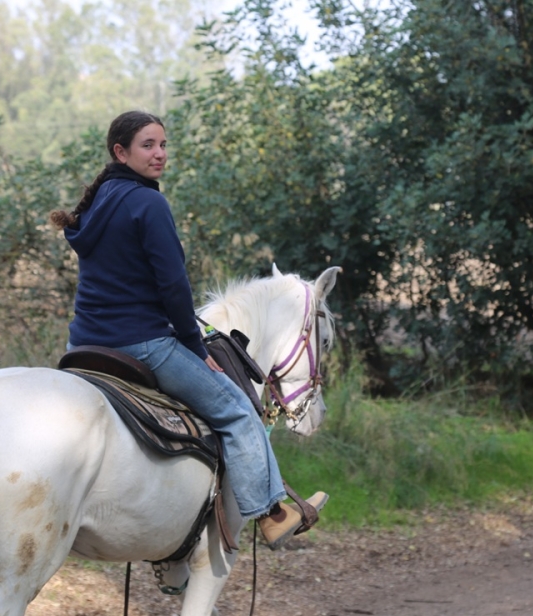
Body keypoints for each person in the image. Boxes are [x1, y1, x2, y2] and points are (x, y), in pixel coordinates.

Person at [49, 110, 327, 549]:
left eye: (163, 145)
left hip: (83, 341)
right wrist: (197, 349)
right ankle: (272, 513)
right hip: (141, 342)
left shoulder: (99, 202)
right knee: (237, 410)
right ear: (120, 152)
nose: (159, 154)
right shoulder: (149, 203)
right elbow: (173, 285)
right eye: (148, 145)